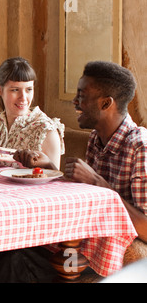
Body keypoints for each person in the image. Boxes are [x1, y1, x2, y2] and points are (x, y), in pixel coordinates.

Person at [65, 61, 147, 243]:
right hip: (87, 237)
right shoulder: (96, 137)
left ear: (106, 103)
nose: (75, 102)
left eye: (82, 96)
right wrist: (49, 169)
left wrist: (96, 181)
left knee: (16, 261)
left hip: (110, 251)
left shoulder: (141, 147)